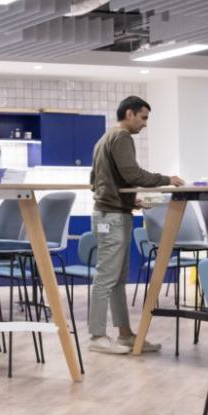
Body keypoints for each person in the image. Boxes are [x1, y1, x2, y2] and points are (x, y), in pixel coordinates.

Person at [88, 95, 184, 356]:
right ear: (129, 114)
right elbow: (133, 174)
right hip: (112, 217)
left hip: (113, 213)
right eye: (143, 117)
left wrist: (131, 199)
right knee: (106, 278)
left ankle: (126, 334)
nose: (145, 124)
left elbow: (95, 179)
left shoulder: (104, 139)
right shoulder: (121, 138)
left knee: (118, 279)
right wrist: (167, 179)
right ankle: (96, 335)